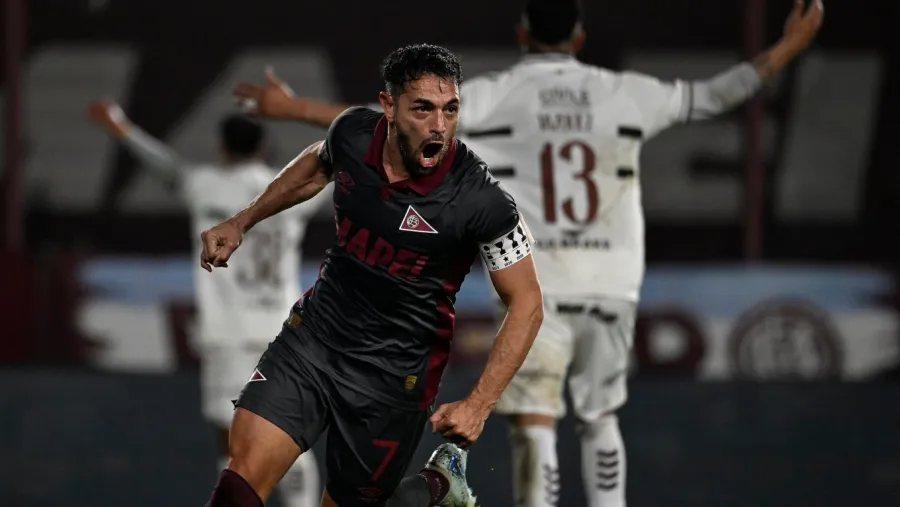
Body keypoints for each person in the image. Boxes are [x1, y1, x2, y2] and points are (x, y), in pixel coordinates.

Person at [230, 1, 825, 505]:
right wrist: (787, 49)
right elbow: (715, 95)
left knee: (534, 425)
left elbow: (381, 120)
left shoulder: (499, 98)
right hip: (613, 281)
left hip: (539, 285)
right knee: (600, 420)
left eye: (449, 110)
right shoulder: (627, 93)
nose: (441, 121)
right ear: (580, 37)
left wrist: (292, 108)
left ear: (522, 34)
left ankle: (459, 487)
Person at [200, 43, 544, 507]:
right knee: (238, 485)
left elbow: (527, 302)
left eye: (450, 109)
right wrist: (242, 220)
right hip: (314, 340)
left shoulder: (481, 200)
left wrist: (478, 405)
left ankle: (437, 485)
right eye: (423, 108)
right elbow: (317, 165)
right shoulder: (353, 133)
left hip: (393, 378)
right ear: (388, 106)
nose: (438, 126)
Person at [86, 104, 325, 507]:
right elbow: (336, 170)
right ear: (264, 147)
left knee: (232, 442)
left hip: (227, 333)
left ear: (221, 147)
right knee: (291, 435)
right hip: (284, 331)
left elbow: (166, 166)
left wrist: (124, 129)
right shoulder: (289, 191)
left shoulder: (205, 186)